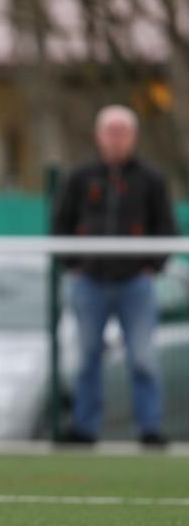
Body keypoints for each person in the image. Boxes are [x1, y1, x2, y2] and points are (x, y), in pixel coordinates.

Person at [53, 105, 177, 446]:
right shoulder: (80, 177)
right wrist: (74, 263)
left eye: (123, 132)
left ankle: (149, 429)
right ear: (99, 136)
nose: (117, 139)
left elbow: (166, 226)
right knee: (88, 357)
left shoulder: (151, 179)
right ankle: (84, 428)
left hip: (136, 283)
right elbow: (60, 223)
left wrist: (152, 264)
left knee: (143, 358)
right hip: (89, 282)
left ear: (133, 137)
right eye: (111, 132)